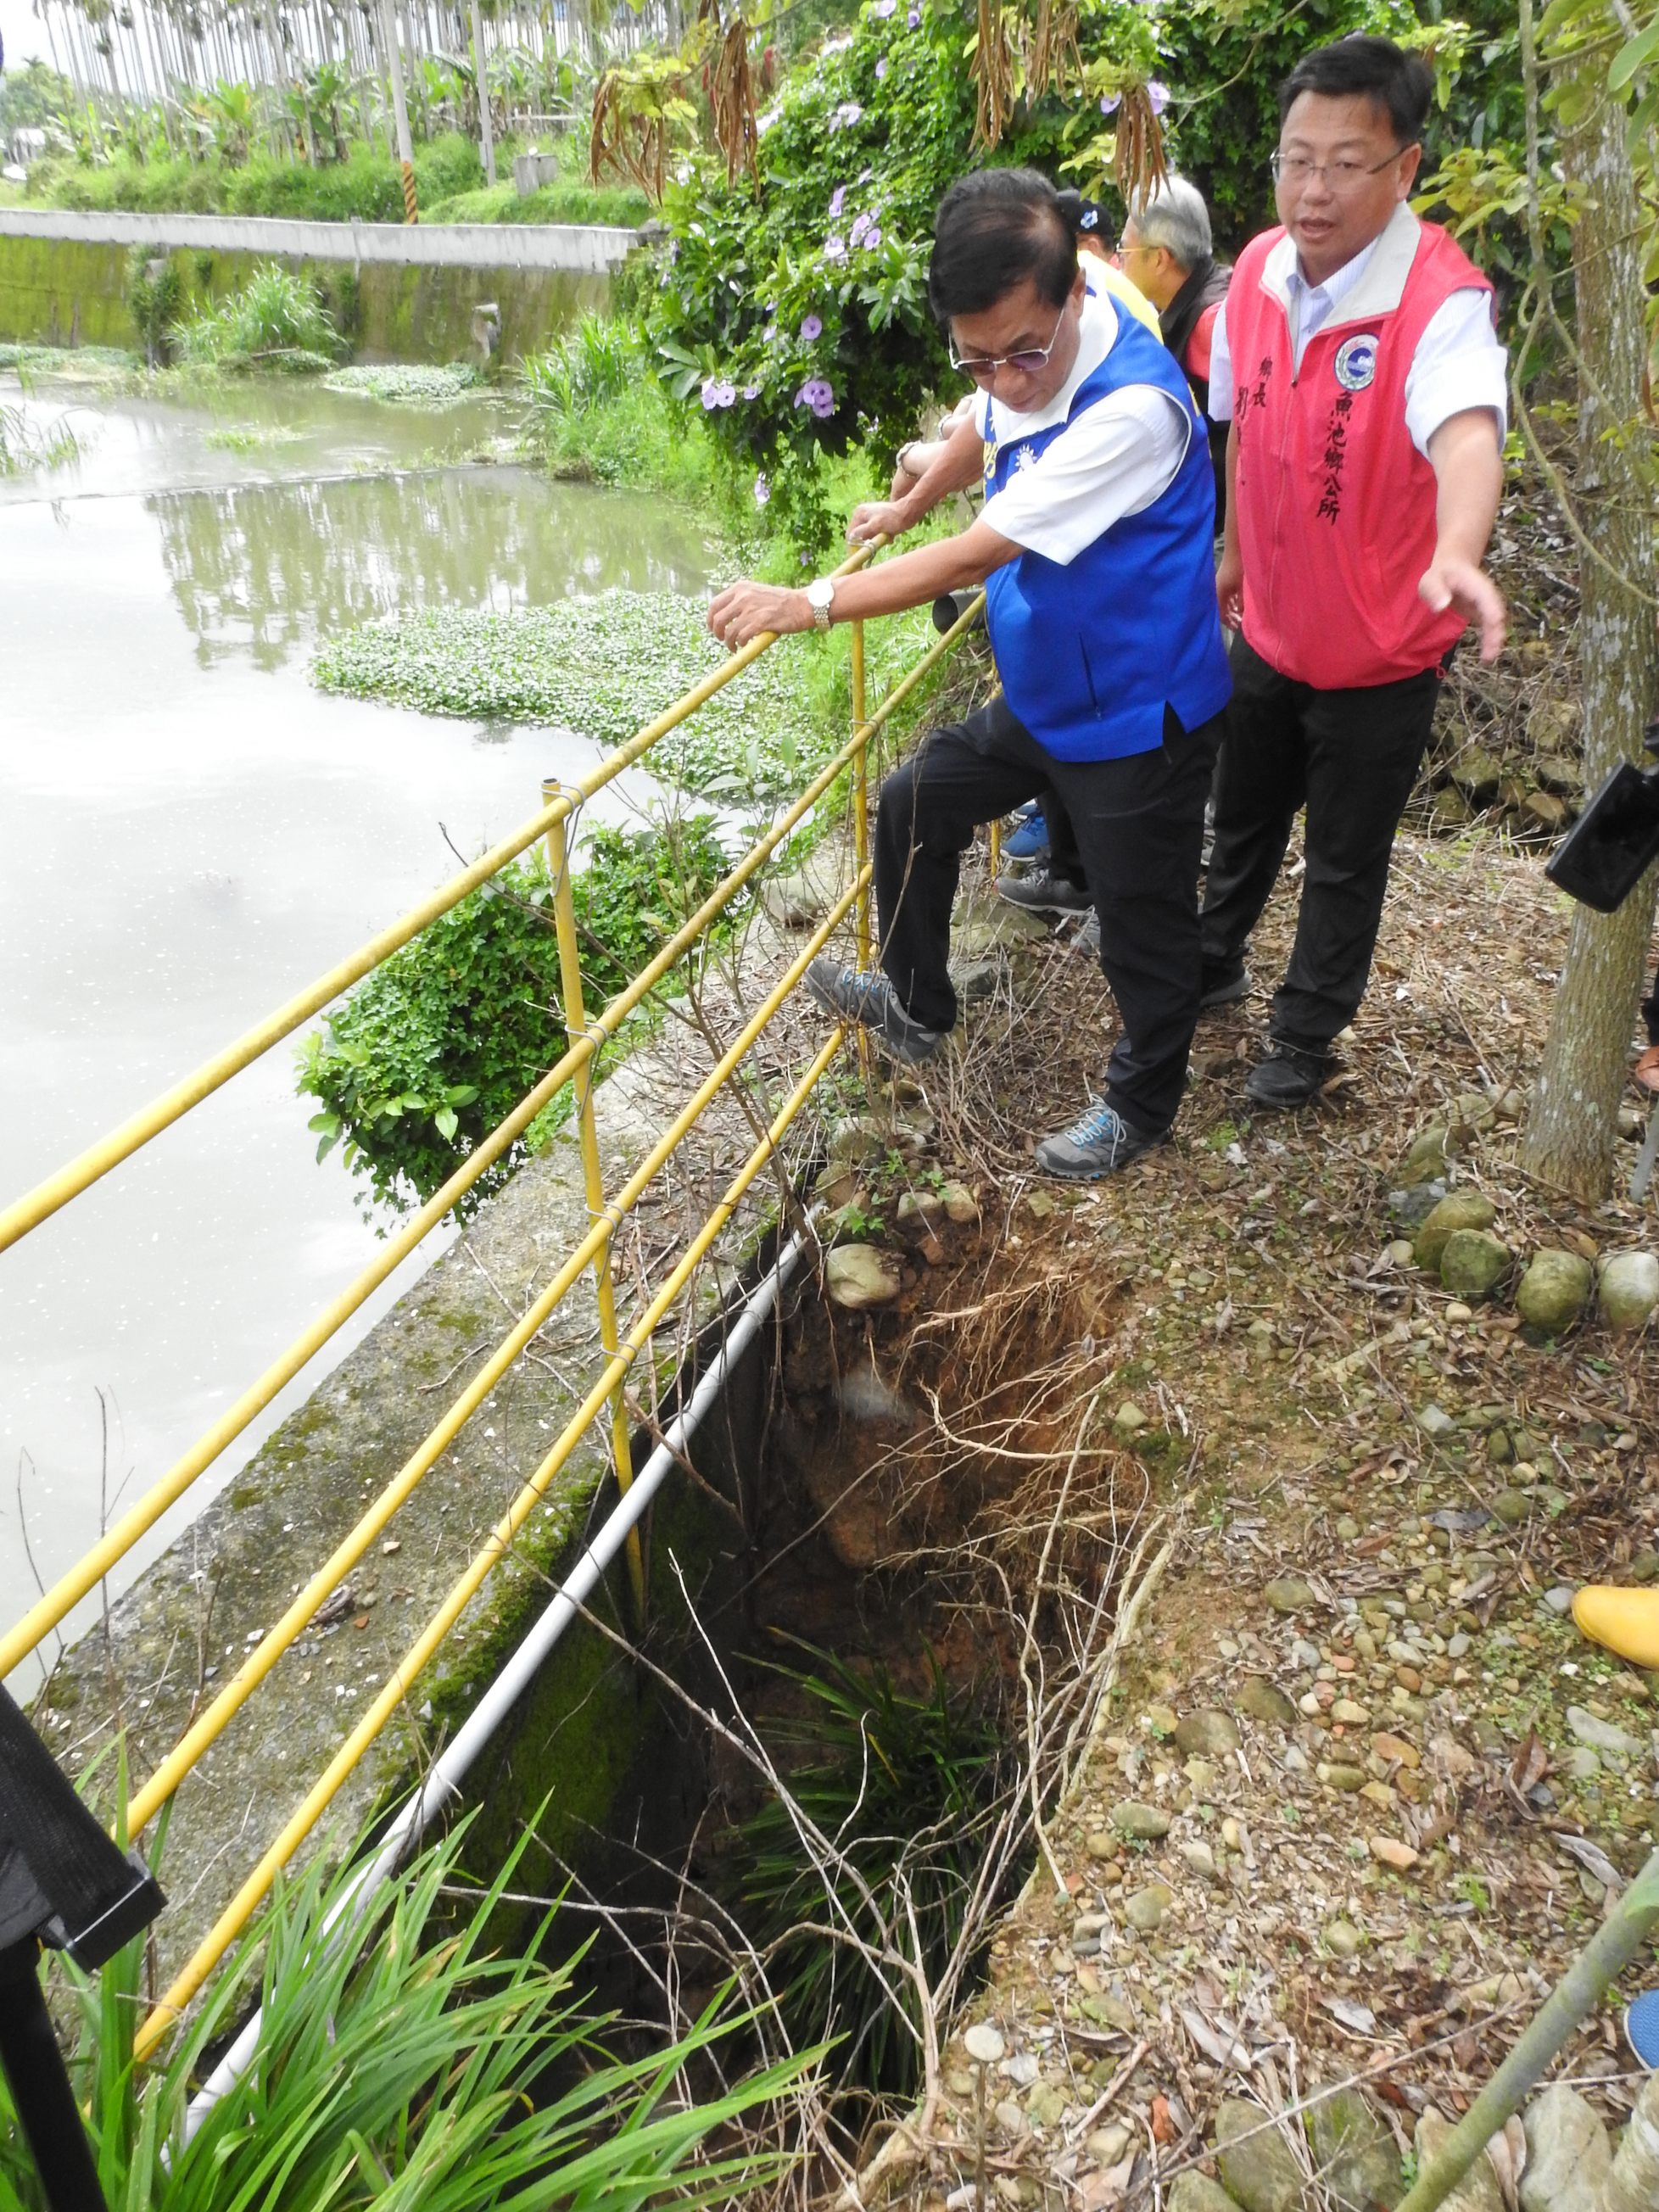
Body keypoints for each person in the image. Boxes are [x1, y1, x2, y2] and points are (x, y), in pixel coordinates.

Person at [707, 167, 1232, 1178]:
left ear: (1078, 287)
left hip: (1135, 710)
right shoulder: (1012, 368)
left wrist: (806, 602)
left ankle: (1142, 1101)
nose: (1005, 379)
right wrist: (905, 504)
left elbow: (970, 557)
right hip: (1051, 688)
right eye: (976, 357)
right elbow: (977, 429)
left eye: (1023, 353)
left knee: (1142, 921)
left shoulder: (1132, 412)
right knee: (914, 800)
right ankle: (916, 1003)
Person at [1198, 33, 1508, 1109]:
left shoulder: (1441, 303)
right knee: (1240, 814)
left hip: (1381, 651)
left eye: (1345, 162)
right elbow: (1239, 424)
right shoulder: (1253, 273)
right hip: (1274, 629)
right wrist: (1234, 551)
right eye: (1296, 158)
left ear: (1405, 166)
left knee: (1342, 858)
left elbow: (1468, 430)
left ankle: (1303, 1039)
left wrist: (1459, 550)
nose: (1313, 189)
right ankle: (1212, 962)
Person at [1117, 175, 1232, 520]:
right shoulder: (1181, 305)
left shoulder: (1212, 324)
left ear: (1160, 259)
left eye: (1124, 250)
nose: (1117, 260)